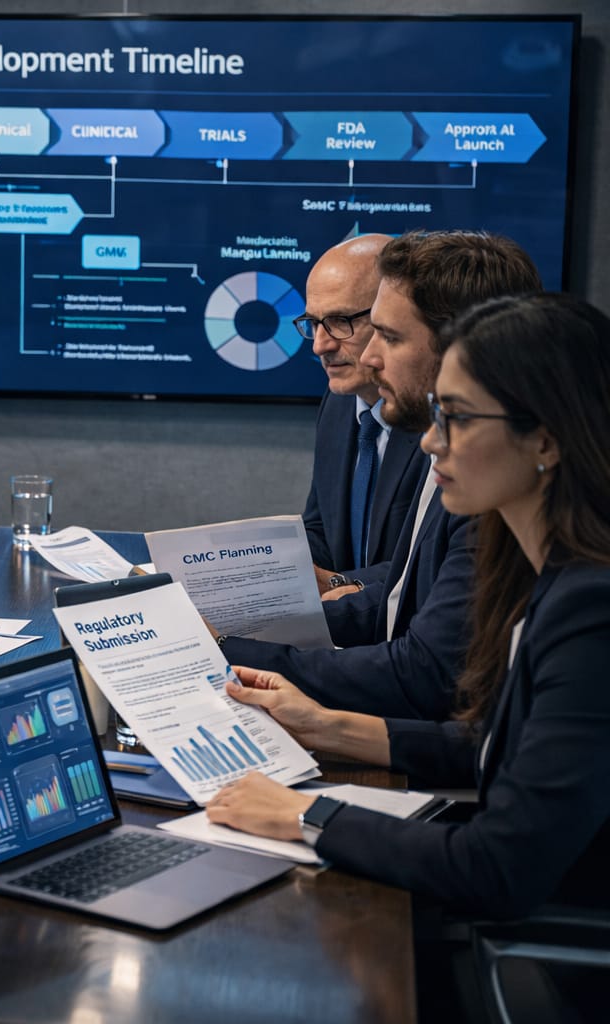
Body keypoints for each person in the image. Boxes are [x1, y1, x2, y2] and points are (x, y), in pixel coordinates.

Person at [207, 292, 610, 922]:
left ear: (547, 442)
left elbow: (498, 867)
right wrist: (323, 725)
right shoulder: (547, 572)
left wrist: (306, 815)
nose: (429, 444)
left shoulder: (591, 611)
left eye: (457, 419)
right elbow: (498, 745)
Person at [219, 231, 541, 719]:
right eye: (313, 324)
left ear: (462, 343)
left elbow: (429, 673)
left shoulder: (494, 483)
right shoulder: (353, 408)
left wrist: (229, 648)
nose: (367, 357)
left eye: (384, 335)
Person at [297, 234, 426, 593]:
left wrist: (344, 584)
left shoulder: (440, 416)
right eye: (312, 322)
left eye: (340, 321)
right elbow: (322, 530)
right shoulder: (339, 401)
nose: (321, 345)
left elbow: (430, 564)